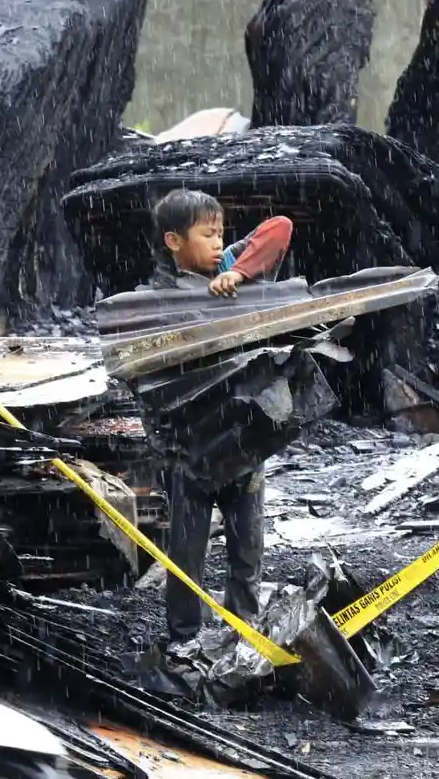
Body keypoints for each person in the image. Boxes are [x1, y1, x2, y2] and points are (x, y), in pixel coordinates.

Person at [148, 188, 293, 645]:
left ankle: (240, 638)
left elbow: (280, 227)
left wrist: (238, 272)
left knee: (246, 550)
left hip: (245, 441)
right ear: (174, 241)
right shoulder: (159, 298)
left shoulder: (230, 265)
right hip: (189, 451)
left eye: (221, 233)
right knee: (185, 556)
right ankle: (183, 642)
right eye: (207, 234)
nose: (217, 242)